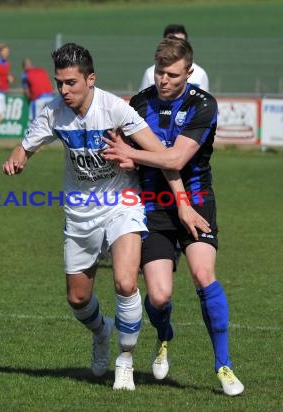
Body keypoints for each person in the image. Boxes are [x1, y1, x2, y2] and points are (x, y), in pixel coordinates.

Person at [2, 43, 197, 391]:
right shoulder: (53, 113)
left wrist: (175, 196)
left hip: (122, 203)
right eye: (59, 83)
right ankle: (101, 331)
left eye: (71, 83)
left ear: (91, 79)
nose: (64, 90)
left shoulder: (116, 110)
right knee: (77, 299)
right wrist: (17, 158)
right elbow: (25, 145)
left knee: (125, 282)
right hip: (79, 212)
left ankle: (125, 358)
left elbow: (163, 155)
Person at [103, 36, 245, 396]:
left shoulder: (202, 105)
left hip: (196, 201)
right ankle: (164, 334)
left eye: (172, 74)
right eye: (159, 73)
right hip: (152, 205)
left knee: (203, 273)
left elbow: (176, 160)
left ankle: (223, 365)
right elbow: (118, 146)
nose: (163, 81)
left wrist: (134, 155)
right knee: (160, 297)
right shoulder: (139, 103)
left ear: (189, 72)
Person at [139, 24, 209, 92]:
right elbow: (142, 101)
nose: (175, 46)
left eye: (180, 41)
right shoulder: (150, 73)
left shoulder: (200, 73)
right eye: (171, 41)